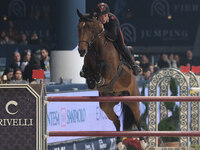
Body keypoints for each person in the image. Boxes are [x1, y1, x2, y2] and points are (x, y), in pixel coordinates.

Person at [95, 2, 140, 75]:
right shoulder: (95, 18)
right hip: (100, 36)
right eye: (101, 16)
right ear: (98, 16)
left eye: (105, 16)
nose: (103, 19)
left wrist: (103, 31)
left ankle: (133, 65)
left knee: (122, 46)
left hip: (114, 33)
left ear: (108, 15)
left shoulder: (113, 19)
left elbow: (113, 37)